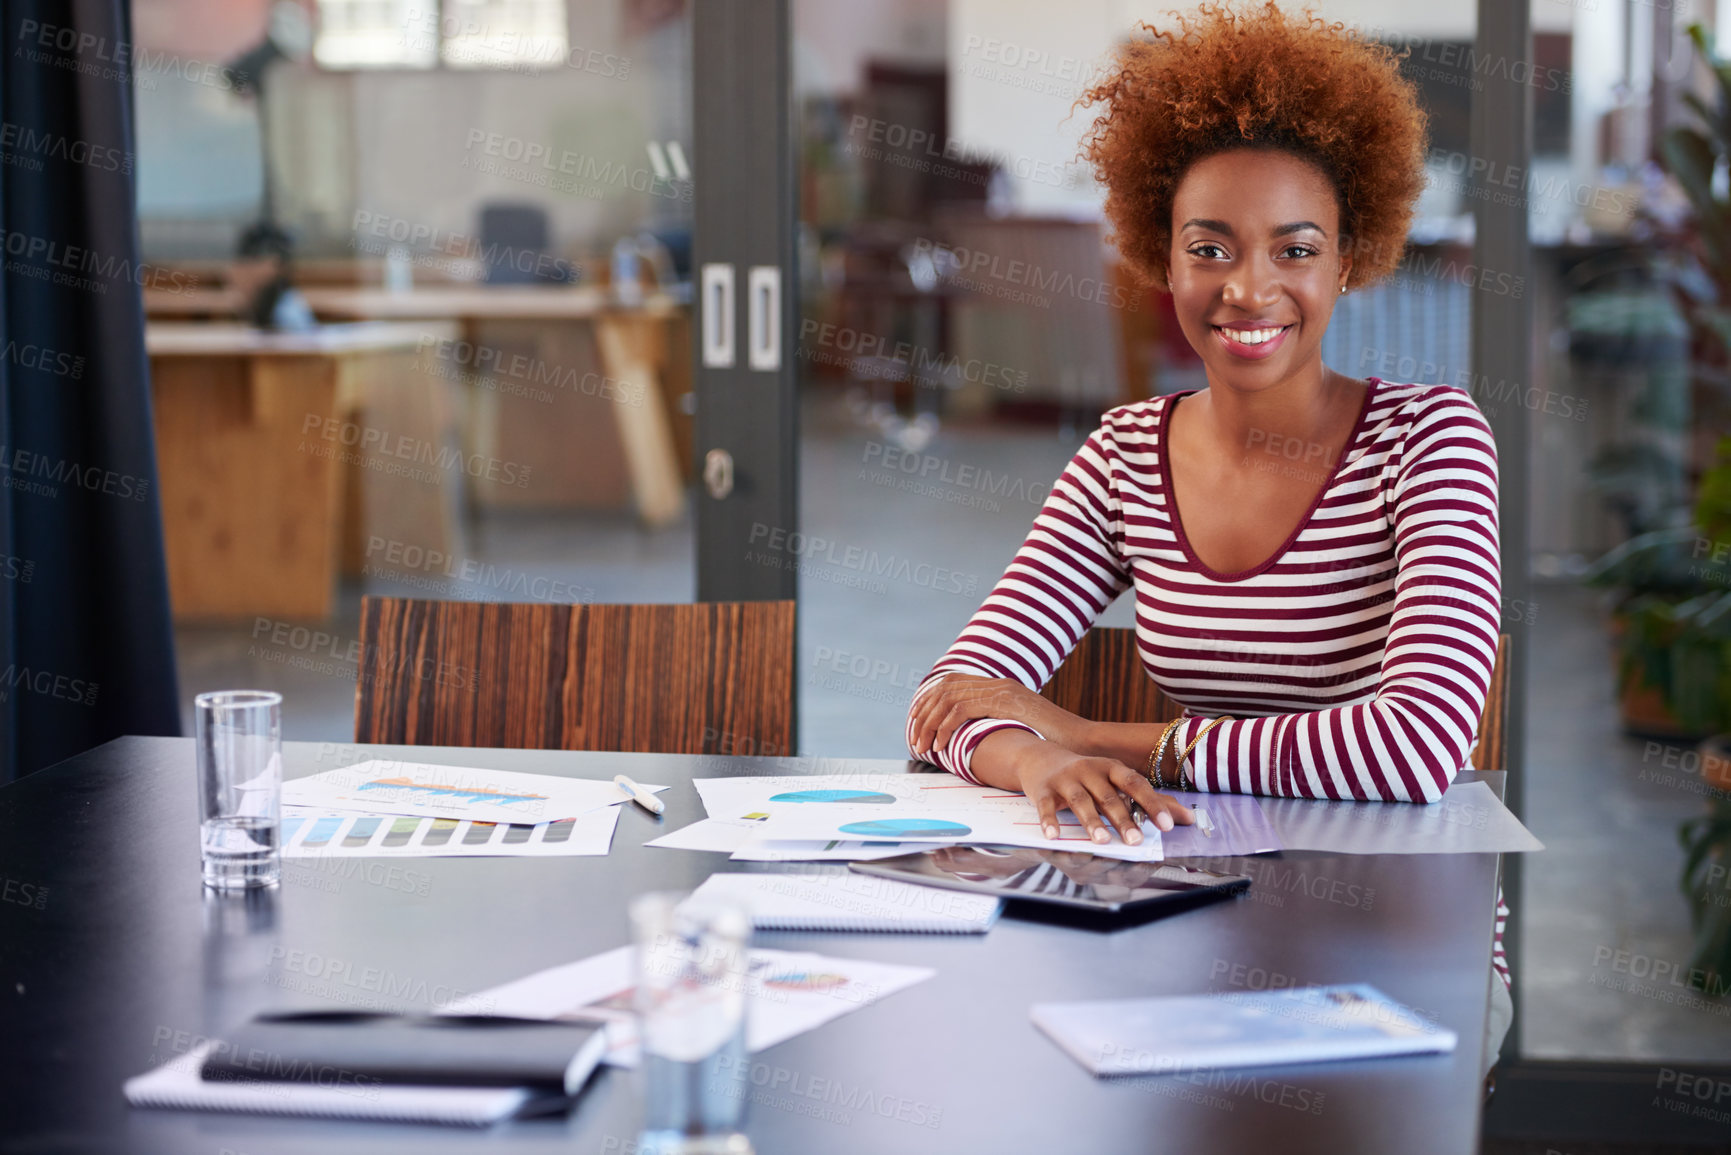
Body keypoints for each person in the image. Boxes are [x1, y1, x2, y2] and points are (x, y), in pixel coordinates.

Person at [902, 2, 1510, 1073]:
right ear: (1161, 257)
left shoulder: (1432, 442)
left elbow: (1415, 747)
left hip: (1400, 928)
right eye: (1210, 248)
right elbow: (951, 698)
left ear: (1351, 256)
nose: (1248, 288)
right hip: (1188, 906)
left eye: (1296, 249)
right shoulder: (1127, 451)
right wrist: (1032, 754)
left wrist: (1091, 736)